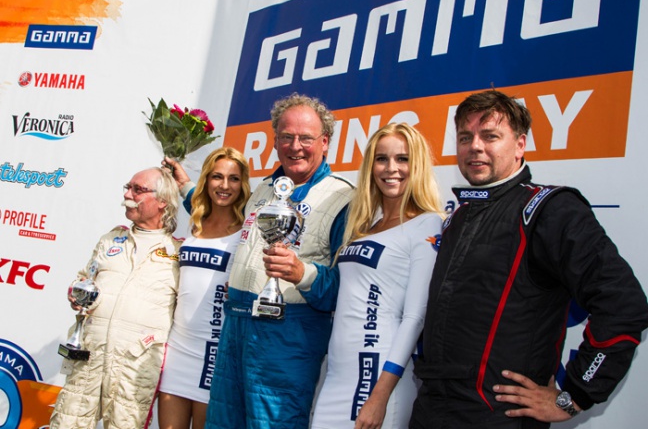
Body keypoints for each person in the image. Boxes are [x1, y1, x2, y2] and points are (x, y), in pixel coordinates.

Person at [409, 90, 648, 429]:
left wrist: (574, 395)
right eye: (465, 137)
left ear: (520, 145)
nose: (475, 146)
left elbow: (624, 304)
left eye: (490, 136)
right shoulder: (458, 219)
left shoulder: (550, 209)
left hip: (500, 419)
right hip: (431, 413)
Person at [165, 93, 355, 428]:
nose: (295, 146)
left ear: (325, 142)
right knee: (223, 422)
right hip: (234, 328)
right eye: (286, 137)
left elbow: (348, 287)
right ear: (275, 140)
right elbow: (217, 213)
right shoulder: (265, 188)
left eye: (306, 138)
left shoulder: (344, 198)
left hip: (287, 334)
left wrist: (303, 273)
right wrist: (185, 187)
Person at [311, 123, 445, 429]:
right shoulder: (363, 228)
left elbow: (415, 317)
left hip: (377, 377)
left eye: (402, 159)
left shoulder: (427, 225)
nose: (391, 168)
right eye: (381, 159)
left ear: (418, 165)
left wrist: (379, 396)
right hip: (336, 377)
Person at [50, 167, 182, 428]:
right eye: (127, 187)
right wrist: (77, 293)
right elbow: (84, 278)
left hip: (136, 364)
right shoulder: (111, 239)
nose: (127, 194)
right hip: (89, 355)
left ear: (162, 201)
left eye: (137, 189)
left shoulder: (179, 253)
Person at [158, 147, 251, 429]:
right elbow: (192, 197)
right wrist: (183, 180)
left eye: (234, 179)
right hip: (177, 351)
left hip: (215, 354)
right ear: (206, 180)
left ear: (243, 184)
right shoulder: (196, 219)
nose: (224, 186)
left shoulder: (248, 227)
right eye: (216, 177)